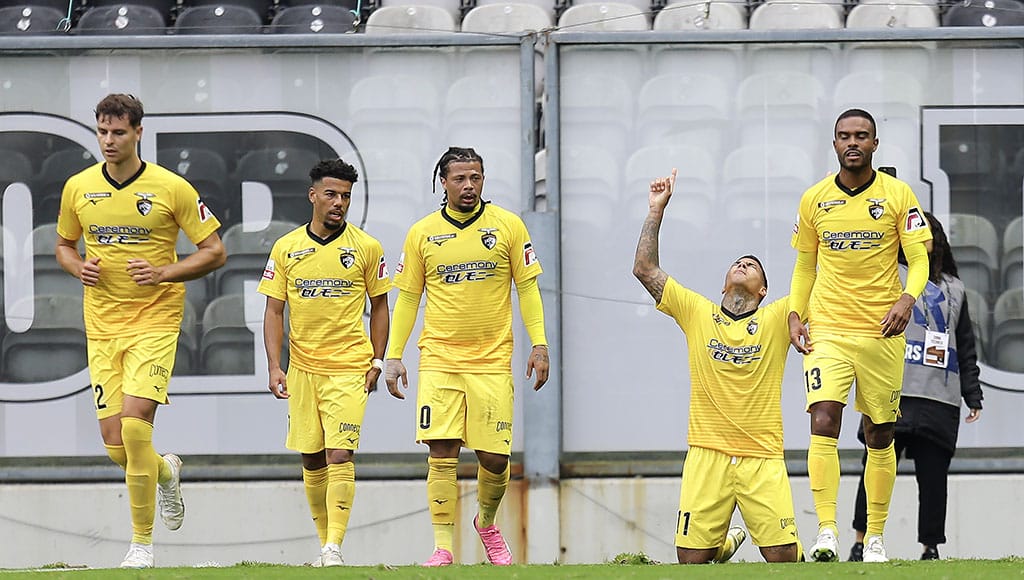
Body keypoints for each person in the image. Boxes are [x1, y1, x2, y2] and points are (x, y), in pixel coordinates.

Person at [55, 93, 226, 569]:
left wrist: (163, 273)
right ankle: (167, 471)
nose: (109, 142)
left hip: (155, 320)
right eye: (102, 132)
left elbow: (214, 251)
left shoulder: (172, 188)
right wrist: (77, 268)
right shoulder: (79, 187)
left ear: (138, 133)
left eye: (118, 133)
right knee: (117, 448)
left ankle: (140, 546)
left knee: (134, 428)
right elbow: (64, 246)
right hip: (103, 327)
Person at [383, 146, 550, 567]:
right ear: (444, 182)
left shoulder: (508, 226)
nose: (469, 186)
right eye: (459, 178)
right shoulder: (423, 232)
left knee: (495, 457)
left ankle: (487, 523)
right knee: (442, 449)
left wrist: (540, 344)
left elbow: (527, 287)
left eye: (475, 177)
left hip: (492, 360)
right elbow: (408, 298)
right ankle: (442, 547)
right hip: (439, 358)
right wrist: (394, 355)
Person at [633, 169, 802, 564]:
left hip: (762, 455)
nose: (743, 265)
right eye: (737, 263)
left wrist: (823, 221)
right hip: (707, 454)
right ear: (724, 283)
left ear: (763, 290)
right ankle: (723, 546)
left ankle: (730, 542)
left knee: (784, 560)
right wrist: (656, 210)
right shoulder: (697, 312)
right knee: (691, 563)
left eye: (753, 265)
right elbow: (644, 269)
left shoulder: (778, 317)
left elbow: (824, 277)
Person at [789, 108, 934, 563]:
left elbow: (920, 258)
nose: (853, 142)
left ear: (875, 144)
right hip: (828, 328)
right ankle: (827, 530)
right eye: (844, 136)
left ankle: (874, 536)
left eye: (862, 136)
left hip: (881, 332)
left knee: (880, 432)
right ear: (834, 144)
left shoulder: (897, 194)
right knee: (824, 419)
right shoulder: (814, 198)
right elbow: (805, 266)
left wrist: (907, 299)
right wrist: (796, 314)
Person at [258, 158, 392, 567]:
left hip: (350, 369)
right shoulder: (287, 248)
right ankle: (324, 546)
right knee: (311, 458)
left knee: (340, 455)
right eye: (331, 194)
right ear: (312, 195)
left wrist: (377, 360)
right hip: (302, 370)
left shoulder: (366, 248)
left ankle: (334, 546)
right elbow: (274, 311)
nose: (339, 203)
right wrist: (274, 366)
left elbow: (381, 306)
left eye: (346, 197)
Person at [847, 212, 983, 562]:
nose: (923, 241)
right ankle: (862, 541)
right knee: (874, 467)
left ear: (938, 241)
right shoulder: (887, 274)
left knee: (934, 478)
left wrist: (973, 394)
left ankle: (930, 548)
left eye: (929, 235)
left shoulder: (956, 287)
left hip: (940, 395)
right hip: (893, 388)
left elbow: (964, 345)